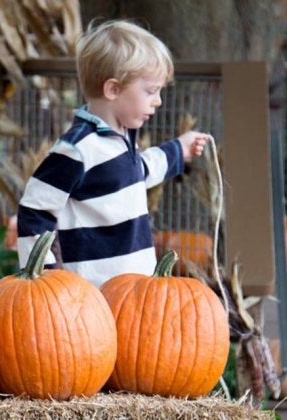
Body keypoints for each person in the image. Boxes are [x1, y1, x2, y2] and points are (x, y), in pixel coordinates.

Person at [16, 20, 211, 287]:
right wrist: (43, 276)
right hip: (96, 293)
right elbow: (35, 209)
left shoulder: (120, 140)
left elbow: (138, 172)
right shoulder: (77, 149)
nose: (158, 101)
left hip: (137, 285)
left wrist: (180, 149)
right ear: (113, 89)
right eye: (151, 91)